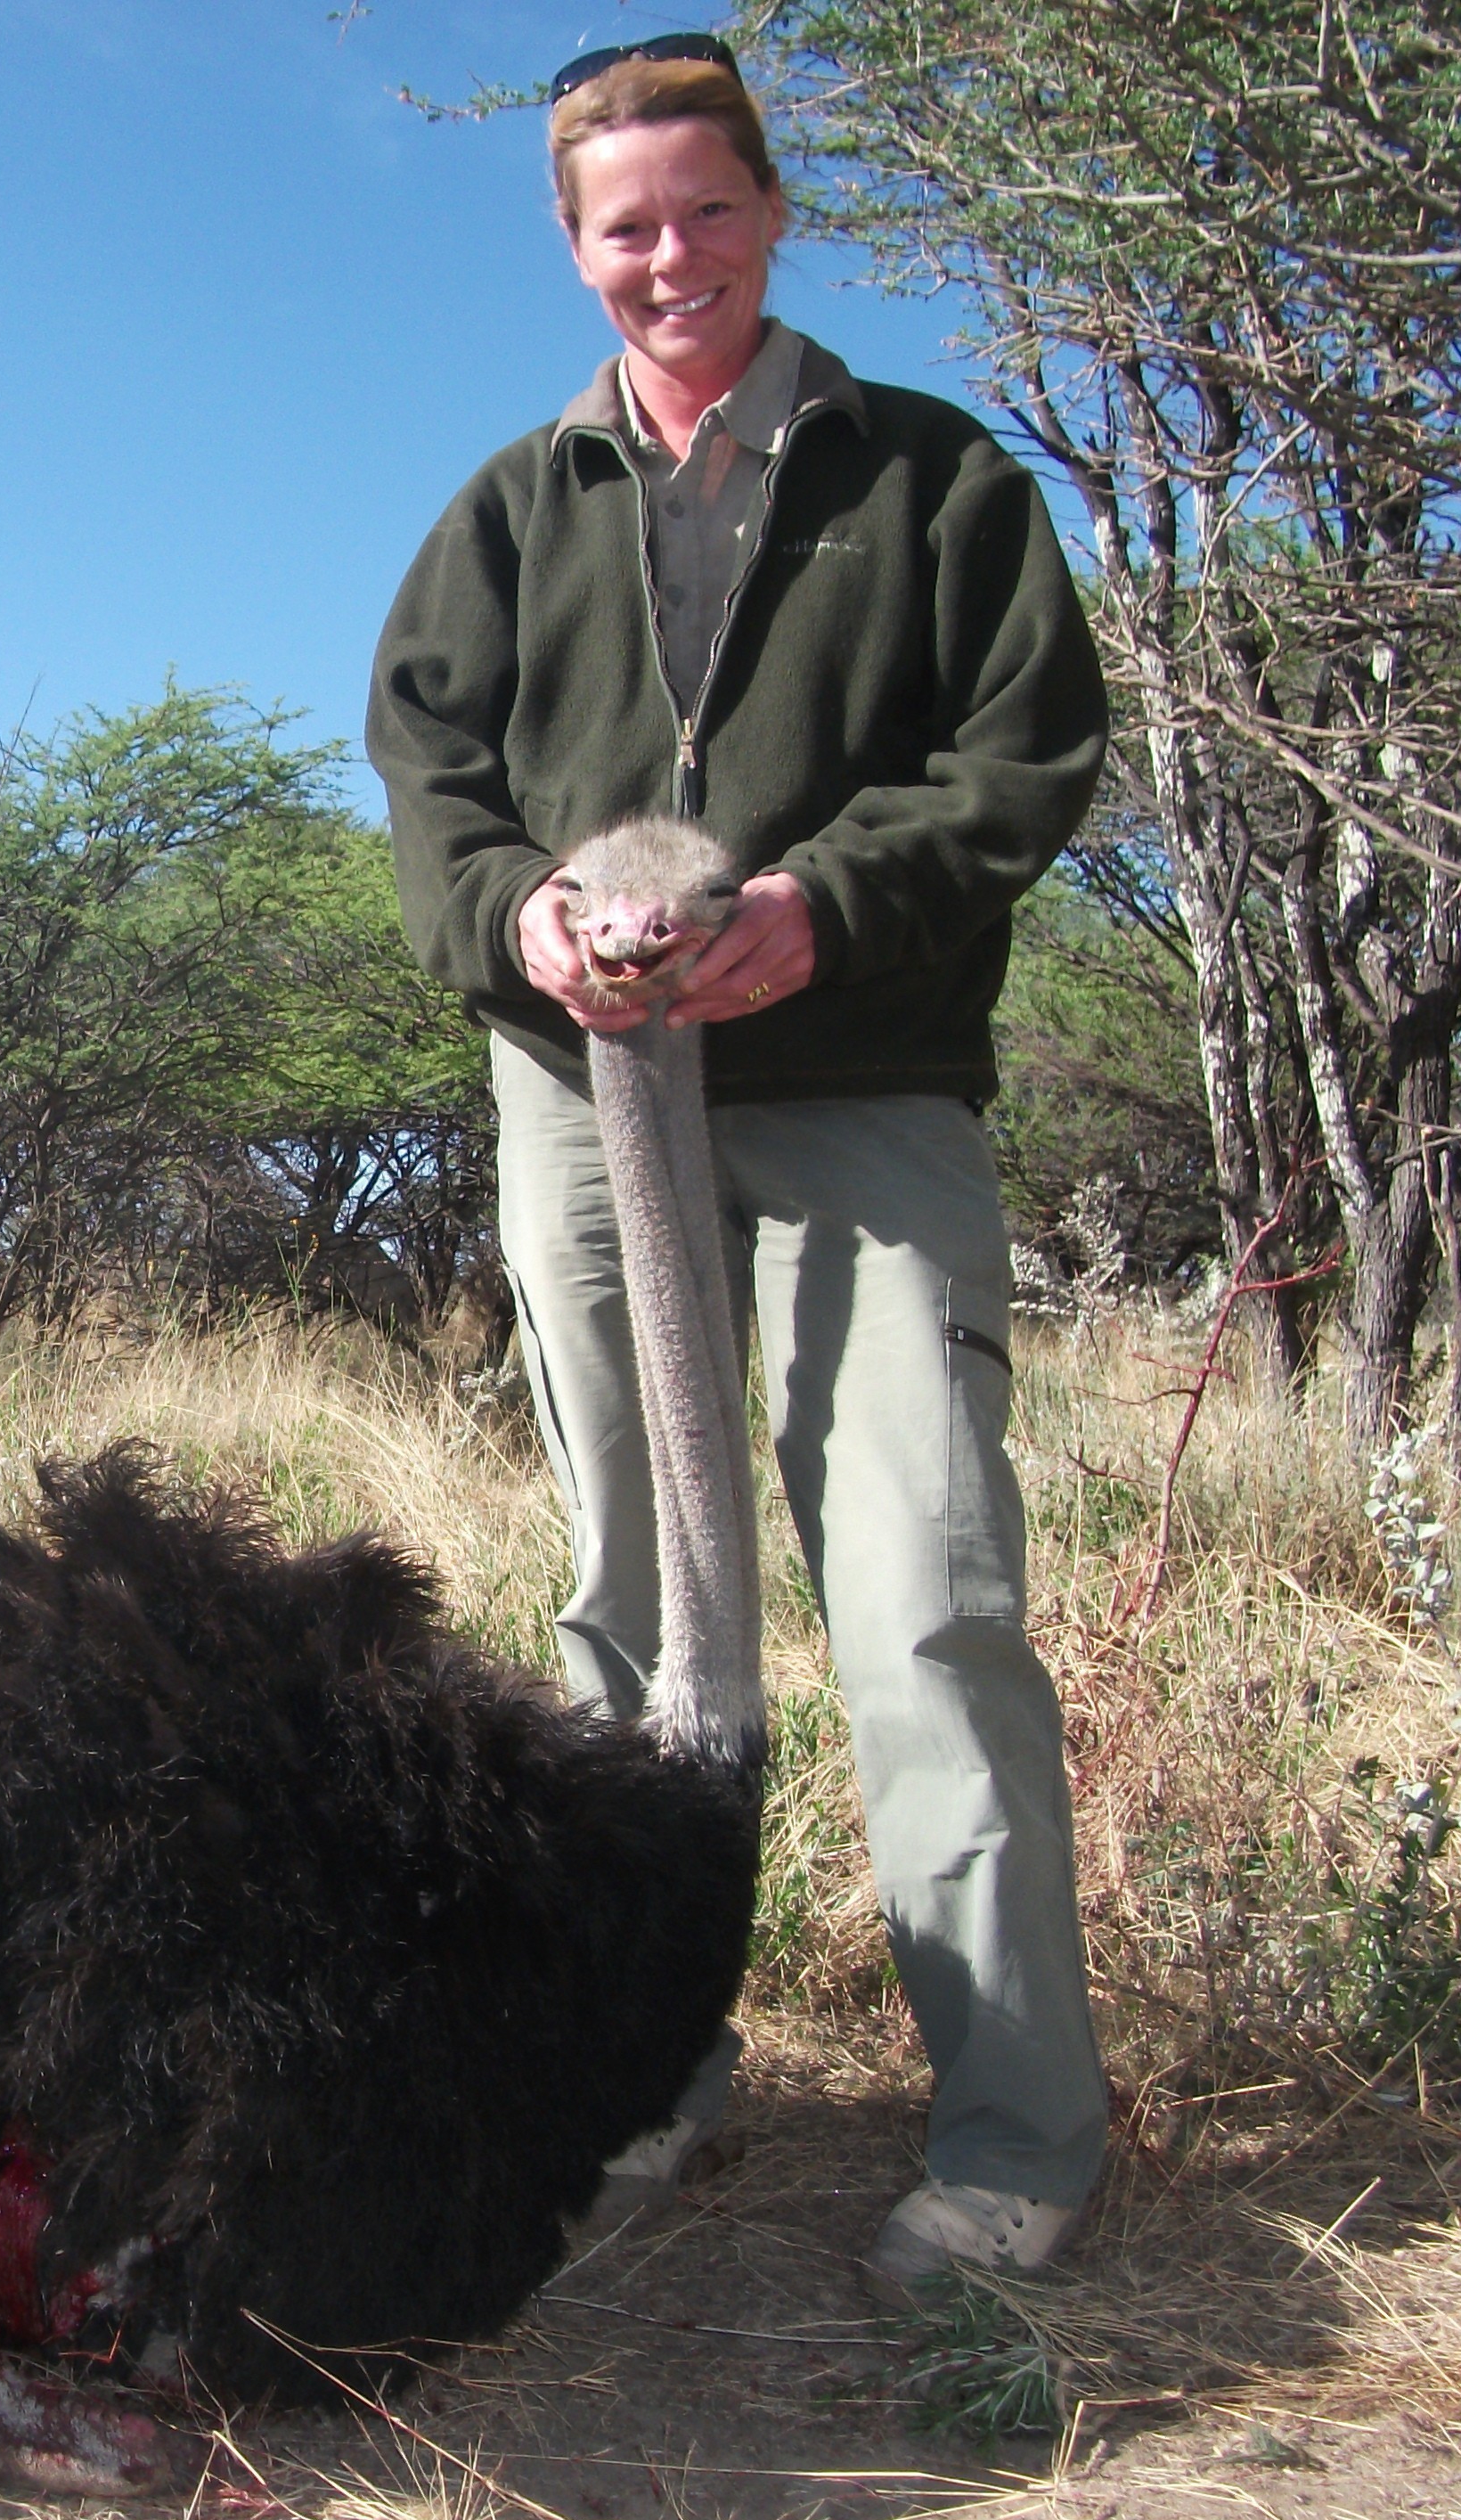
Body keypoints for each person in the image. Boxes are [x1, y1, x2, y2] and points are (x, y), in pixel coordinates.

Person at [363, 33, 1113, 2297]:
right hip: (587, 1114)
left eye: (702, 211)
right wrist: (518, 920)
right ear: (572, 248)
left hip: (857, 1095)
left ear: (770, 214)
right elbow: (428, 782)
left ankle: (1013, 2135)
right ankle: (641, 2077)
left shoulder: (934, 482)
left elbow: (1021, 757)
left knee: (921, 1602)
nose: (665, 258)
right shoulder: (509, 509)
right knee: (624, 1610)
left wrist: (812, 912)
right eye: (622, 227)